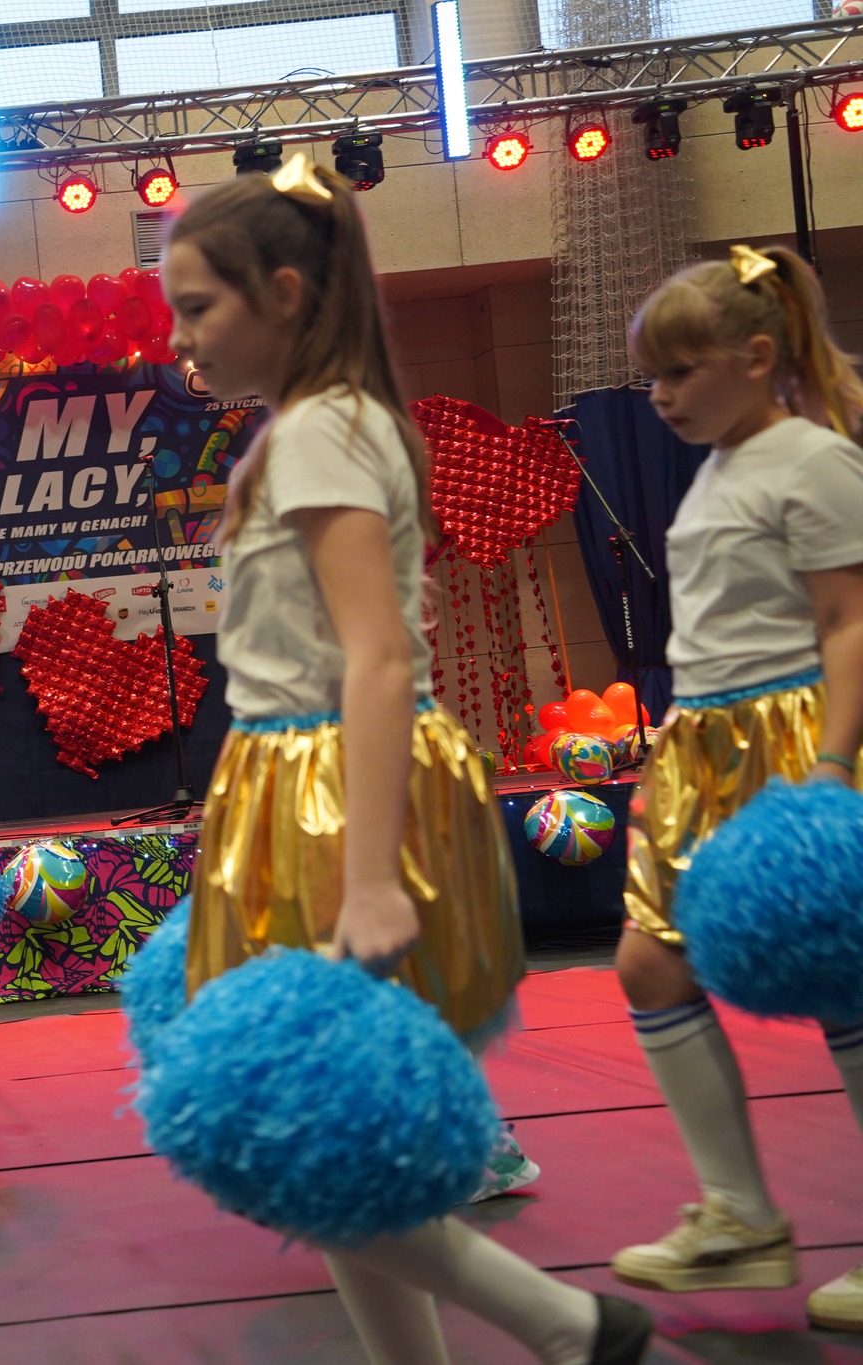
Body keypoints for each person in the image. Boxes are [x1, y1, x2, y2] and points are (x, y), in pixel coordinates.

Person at [164, 154, 651, 1365]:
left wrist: (371, 874)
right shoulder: (317, 427)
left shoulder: (320, 433)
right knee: (328, 1139)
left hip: (328, 784)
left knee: (302, 1130)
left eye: (197, 306)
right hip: (299, 773)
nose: (178, 337)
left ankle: (565, 1324)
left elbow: (378, 657)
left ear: (283, 294)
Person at [610, 243, 863, 1333]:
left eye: (681, 372)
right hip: (703, 744)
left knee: (845, 984)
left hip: (792, 736)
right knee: (649, 963)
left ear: (757, 357)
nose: (661, 397)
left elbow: (848, 621)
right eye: (651, 380)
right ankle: (740, 1219)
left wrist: (830, 768)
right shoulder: (720, 464)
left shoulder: (813, 458)